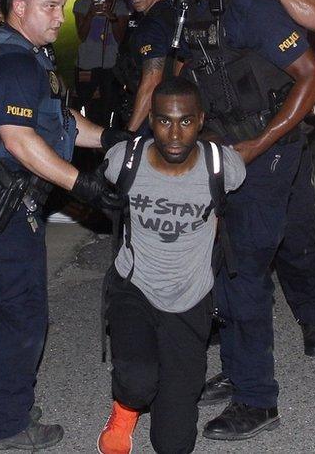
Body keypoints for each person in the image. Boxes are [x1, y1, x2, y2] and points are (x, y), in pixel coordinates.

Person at [0, 0, 129, 451]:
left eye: (62, 6)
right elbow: (20, 140)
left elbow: (58, 118)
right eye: (48, 7)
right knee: (20, 315)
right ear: (18, 7)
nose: (59, 17)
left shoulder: (22, 53)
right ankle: (7, 425)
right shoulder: (13, 63)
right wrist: (83, 185)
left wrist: (109, 138)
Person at [164, 0, 315, 440]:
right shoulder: (196, 3)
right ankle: (239, 373)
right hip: (222, 149)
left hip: (266, 151)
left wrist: (258, 144)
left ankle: (259, 400)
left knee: (246, 270)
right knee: (225, 267)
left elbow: (313, 79)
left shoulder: (251, 2)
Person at [97, 77, 246, 454]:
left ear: (200, 121)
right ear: (151, 120)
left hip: (190, 298)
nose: (175, 133)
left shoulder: (223, 168)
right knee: (136, 383)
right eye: (164, 121)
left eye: (185, 121)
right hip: (135, 286)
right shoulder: (123, 162)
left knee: (174, 443)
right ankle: (124, 411)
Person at [224, 0, 315, 358]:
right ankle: (235, 335)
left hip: (283, 124)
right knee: (234, 238)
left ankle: (313, 318)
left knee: (297, 232)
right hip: (231, 128)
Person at [117, 0, 178, 135]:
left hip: (153, 117)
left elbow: (151, 82)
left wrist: (129, 134)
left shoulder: (152, 25)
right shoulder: (172, 12)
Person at [73, 0, 129, 127]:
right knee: (87, 107)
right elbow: (82, 35)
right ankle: (86, 148)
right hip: (87, 65)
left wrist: (111, 17)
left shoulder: (120, 6)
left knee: (110, 108)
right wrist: (91, 13)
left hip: (111, 66)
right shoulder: (81, 4)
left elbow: (121, 38)